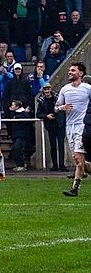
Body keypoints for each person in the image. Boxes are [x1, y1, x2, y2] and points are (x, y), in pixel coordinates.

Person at [57, 63, 91, 196]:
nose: (69, 72)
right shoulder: (65, 89)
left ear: (81, 73)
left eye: (73, 70)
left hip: (82, 127)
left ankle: (75, 189)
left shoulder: (87, 88)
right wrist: (62, 108)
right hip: (69, 127)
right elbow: (56, 106)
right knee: (80, 162)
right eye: (69, 70)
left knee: (78, 159)